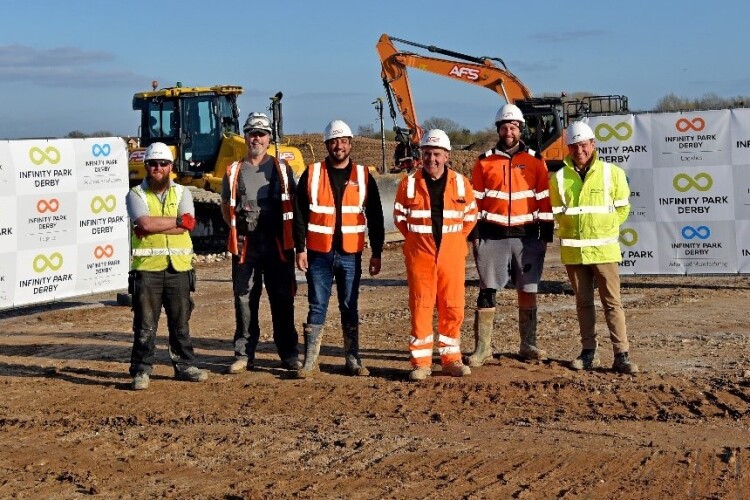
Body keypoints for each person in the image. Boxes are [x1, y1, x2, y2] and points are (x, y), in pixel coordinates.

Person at [293, 119, 385, 378]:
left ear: (350, 144)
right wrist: (299, 248)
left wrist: (376, 251)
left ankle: (352, 359)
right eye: (334, 142)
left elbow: (375, 217)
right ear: (327, 145)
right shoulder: (312, 174)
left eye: (343, 141)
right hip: (318, 252)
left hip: (350, 253)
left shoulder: (364, 176)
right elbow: (299, 214)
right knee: (317, 305)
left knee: (349, 304)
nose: (339, 146)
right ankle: (310, 361)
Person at [465, 103, 554, 367]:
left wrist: (544, 236)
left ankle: (528, 345)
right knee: (487, 290)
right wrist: (475, 235)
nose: (509, 131)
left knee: (527, 289)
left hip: (527, 238)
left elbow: (544, 202)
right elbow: (475, 202)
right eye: (504, 127)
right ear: (498, 130)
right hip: (492, 237)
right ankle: (483, 349)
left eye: (513, 127)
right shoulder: (484, 162)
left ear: (520, 129)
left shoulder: (536, 161)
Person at [549, 121, 639, 374]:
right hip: (575, 252)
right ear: (569, 147)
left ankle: (622, 354)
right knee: (583, 303)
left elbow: (623, 208)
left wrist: (606, 228)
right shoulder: (559, 179)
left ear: (593, 145)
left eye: (584, 145)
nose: (579, 150)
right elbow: (558, 212)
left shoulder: (612, 173)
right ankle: (589, 353)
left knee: (612, 303)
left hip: (604, 251)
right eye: (574, 146)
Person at [393, 129, 477, 381]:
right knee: (421, 306)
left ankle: (451, 359)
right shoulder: (408, 184)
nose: (432, 159)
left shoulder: (461, 183)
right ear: (421, 155)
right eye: (427, 153)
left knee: (453, 306)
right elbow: (400, 218)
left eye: (437, 154)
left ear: (447, 155)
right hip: (421, 257)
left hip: (451, 256)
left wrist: (454, 241)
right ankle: (421, 363)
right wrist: (418, 242)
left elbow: (470, 217)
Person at [221, 112, 300, 374]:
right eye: (252, 133)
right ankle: (244, 354)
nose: (257, 138)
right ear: (245, 137)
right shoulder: (233, 172)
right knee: (244, 300)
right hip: (247, 245)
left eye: (262, 134)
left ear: (269, 139)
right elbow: (225, 206)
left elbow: (295, 206)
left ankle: (288, 353)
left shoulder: (282, 169)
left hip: (278, 243)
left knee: (282, 299)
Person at [125, 142, 208, 390]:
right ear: (146, 166)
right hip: (147, 269)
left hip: (178, 268)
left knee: (180, 321)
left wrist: (155, 225)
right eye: (153, 164)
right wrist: (176, 222)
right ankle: (141, 370)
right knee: (145, 323)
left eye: (162, 164)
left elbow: (188, 225)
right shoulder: (136, 195)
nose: (158, 168)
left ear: (171, 166)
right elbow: (145, 224)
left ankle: (184, 365)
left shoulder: (183, 193)